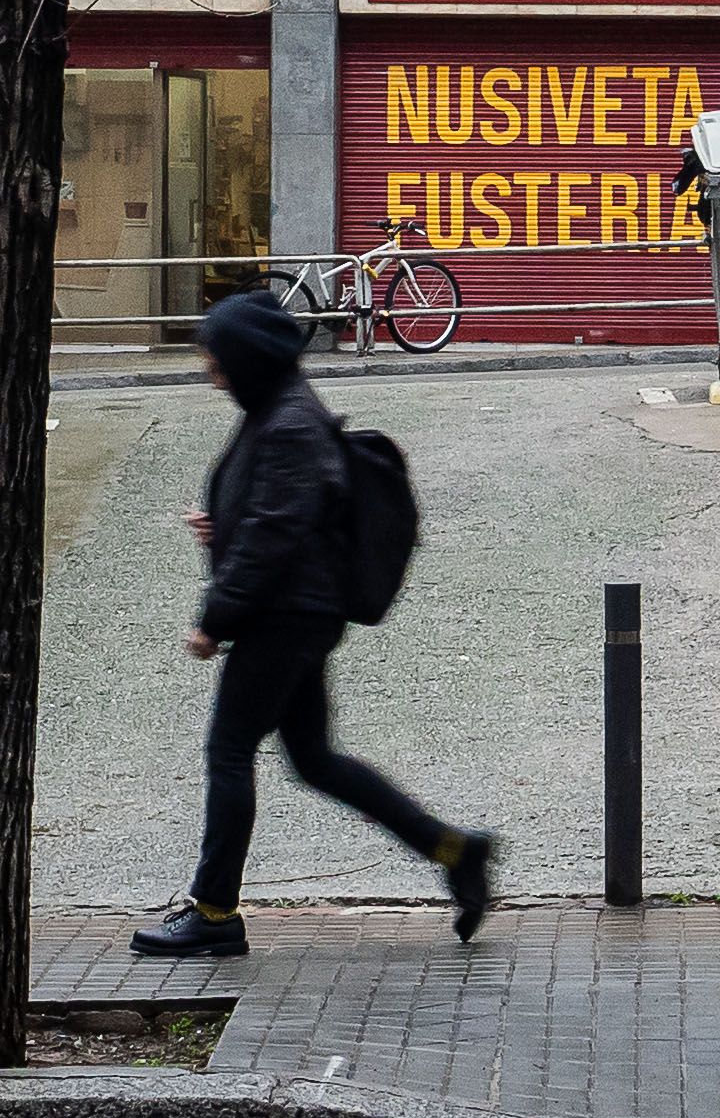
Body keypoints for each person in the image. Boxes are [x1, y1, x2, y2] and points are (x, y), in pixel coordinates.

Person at [134, 285, 499, 957]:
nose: (207, 369)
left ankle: (214, 912)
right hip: (294, 613)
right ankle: (455, 851)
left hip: (288, 617)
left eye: (213, 356)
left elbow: (277, 535)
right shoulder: (273, 409)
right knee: (315, 760)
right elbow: (269, 518)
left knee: (228, 751)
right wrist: (219, 528)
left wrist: (213, 620)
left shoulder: (289, 425)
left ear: (243, 357)